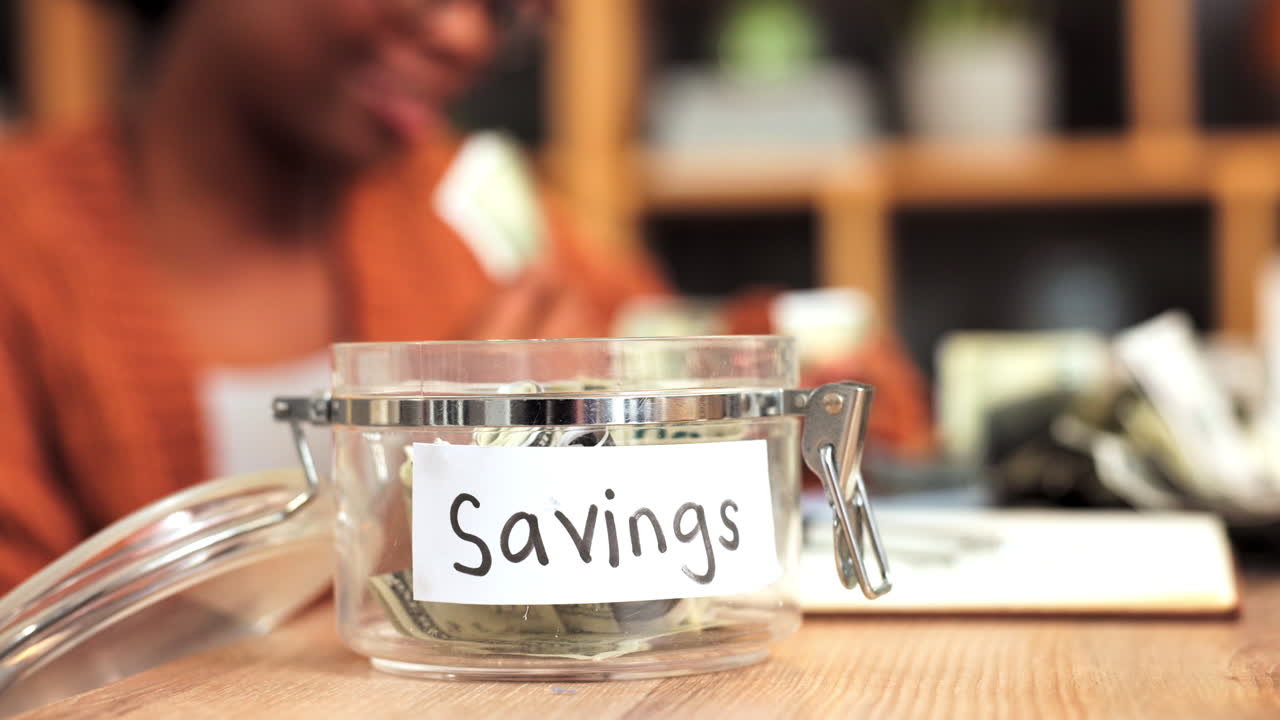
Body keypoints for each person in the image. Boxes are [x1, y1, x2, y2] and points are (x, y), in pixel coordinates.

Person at [0, 0, 930, 592]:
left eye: (509, 11)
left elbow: (685, 357)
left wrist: (793, 374)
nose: (464, 38)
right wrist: (420, 500)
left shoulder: (467, 211)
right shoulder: (24, 249)